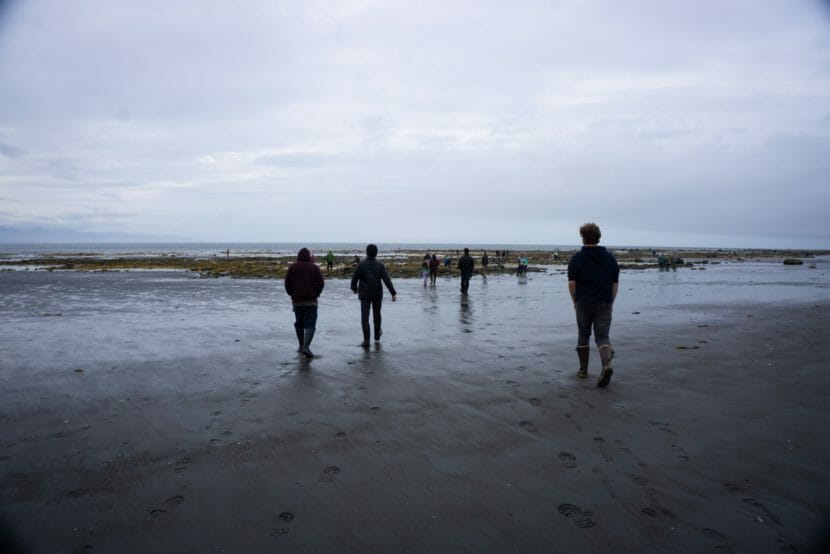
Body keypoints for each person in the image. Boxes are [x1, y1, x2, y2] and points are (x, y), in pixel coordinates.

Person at [567, 223, 619, 388]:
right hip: (604, 302)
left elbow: (572, 284)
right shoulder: (610, 258)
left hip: (583, 302)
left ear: (583, 238)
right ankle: (606, 365)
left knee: (583, 334)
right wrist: (611, 301)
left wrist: (575, 301)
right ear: (598, 237)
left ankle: (583, 371)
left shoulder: (577, 258)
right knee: (602, 336)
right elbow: (614, 283)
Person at [351, 244, 397, 347]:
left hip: (364, 295)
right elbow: (387, 280)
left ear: (367, 252)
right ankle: (377, 335)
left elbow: (354, 279)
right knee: (377, 315)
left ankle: (366, 340)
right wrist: (393, 293)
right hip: (377, 294)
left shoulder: (361, 265)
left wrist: (354, 289)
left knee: (365, 318)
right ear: (376, 253)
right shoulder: (380, 265)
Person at [284, 247, 325, 359]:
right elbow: (321, 283)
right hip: (311, 301)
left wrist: (291, 294)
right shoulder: (314, 268)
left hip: (297, 301)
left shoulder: (292, 267)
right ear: (308, 256)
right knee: (310, 325)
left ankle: (301, 345)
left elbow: (287, 283)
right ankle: (306, 346)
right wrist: (316, 293)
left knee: (299, 323)